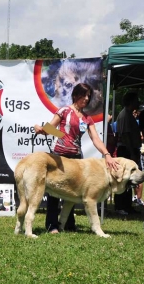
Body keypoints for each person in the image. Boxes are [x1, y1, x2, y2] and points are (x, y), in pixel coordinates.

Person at [34, 83, 118, 234]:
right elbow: (52, 128)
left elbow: (96, 139)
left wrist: (107, 155)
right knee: (54, 190)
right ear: (75, 95)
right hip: (59, 157)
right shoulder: (64, 111)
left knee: (72, 192)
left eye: (88, 96)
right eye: (83, 95)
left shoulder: (87, 118)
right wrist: (42, 130)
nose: (86, 99)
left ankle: (68, 223)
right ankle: (52, 225)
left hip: (76, 158)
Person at [114, 92, 141, 215]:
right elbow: (125, 136)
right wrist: (132, 153)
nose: (138, 102)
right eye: (136, 100)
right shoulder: (124, 115)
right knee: (124, 177)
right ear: (131, 102)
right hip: (126, 150)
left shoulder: (130, 115)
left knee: (130, 179)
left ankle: (127, 205)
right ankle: (120, 206)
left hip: (131, 149)